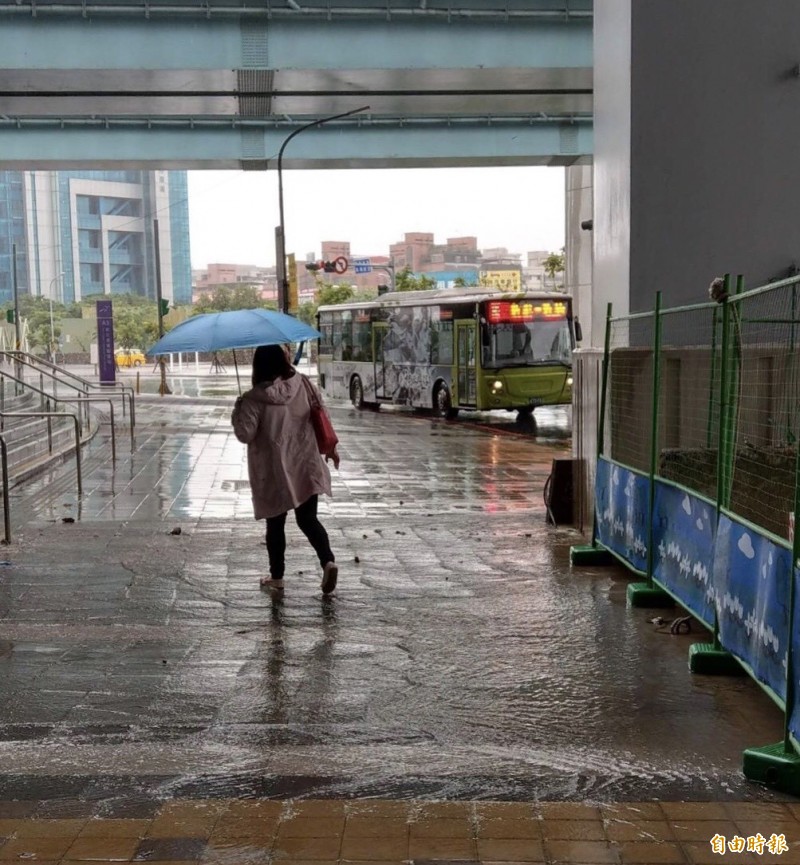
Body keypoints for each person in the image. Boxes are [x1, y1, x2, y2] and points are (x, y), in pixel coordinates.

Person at [231, 344, 340, 594]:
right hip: (305, 462)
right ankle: (328, 561)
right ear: (282, 361)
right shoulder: (302, 384)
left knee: (276, 523)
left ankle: (277, 577)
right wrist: (331, 448)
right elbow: (320, 412)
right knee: (308, 519)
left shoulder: (253, 399)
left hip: (275, 471)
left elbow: (245, 434)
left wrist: (239, 409)